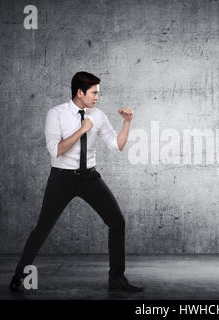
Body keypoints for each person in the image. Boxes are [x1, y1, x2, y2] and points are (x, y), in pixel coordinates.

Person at [9, 71, 142, 292]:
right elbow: (56, 151)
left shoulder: (98, 115)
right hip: (62, 178)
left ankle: (117, 278)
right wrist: (82, 129)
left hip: (89, 177)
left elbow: (116, 145)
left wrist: (127, 123)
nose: (98, 97)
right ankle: (18, 276)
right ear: (80, 92)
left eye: (98, 92)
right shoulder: (56, 114)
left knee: (117, 222)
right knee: (42, 227)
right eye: (94, 92)